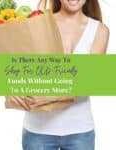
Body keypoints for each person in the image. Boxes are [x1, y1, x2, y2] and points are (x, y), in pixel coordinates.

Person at [10, 0, 109, 150]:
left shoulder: (100, 31)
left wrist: (48, 94)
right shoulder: (37, 24)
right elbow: (17, 67)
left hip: (79, 132)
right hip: (37, 131)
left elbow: (89, 83)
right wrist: (10, 89)